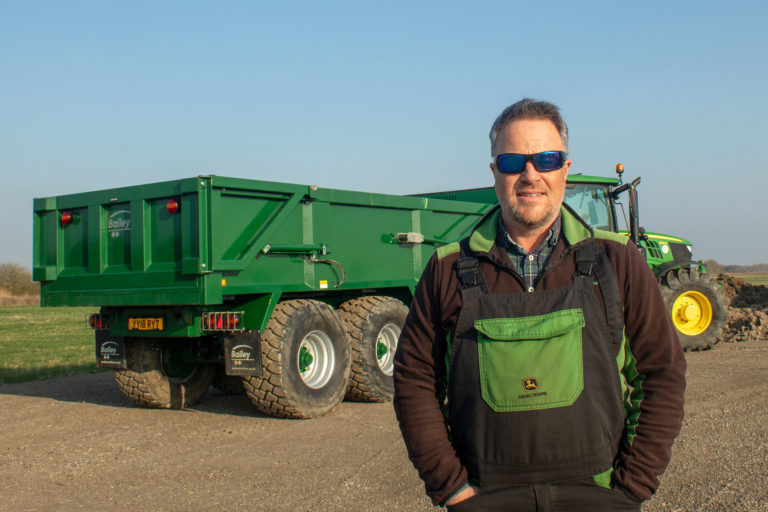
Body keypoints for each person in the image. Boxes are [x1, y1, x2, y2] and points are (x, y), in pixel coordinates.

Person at [393, 98, 686, 511]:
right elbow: (414, 383)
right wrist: (453, 491)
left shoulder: (617, 261)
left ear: (565, 168)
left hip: (599, 497)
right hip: (487, 499)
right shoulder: (447, 270)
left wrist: (631, 487)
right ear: (495, 171)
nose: (530, 175)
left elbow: (662, 374)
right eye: (513, 161)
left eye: (546, 159)